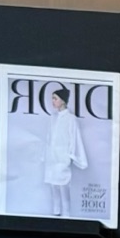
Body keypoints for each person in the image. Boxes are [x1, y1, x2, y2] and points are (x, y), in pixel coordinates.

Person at [42, 83, 86, 216]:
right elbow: (49, 137)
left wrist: (71, 155)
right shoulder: (53, 118)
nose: (52, 101)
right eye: (52, 98)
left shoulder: (71, 119)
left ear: (63, 100)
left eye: (55, 98)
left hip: (62, 157)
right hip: (52, 157)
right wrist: (45, 154)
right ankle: (56, 213)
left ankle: (67, 215)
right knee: (53, 186)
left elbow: (75, 137)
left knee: (63, 186)